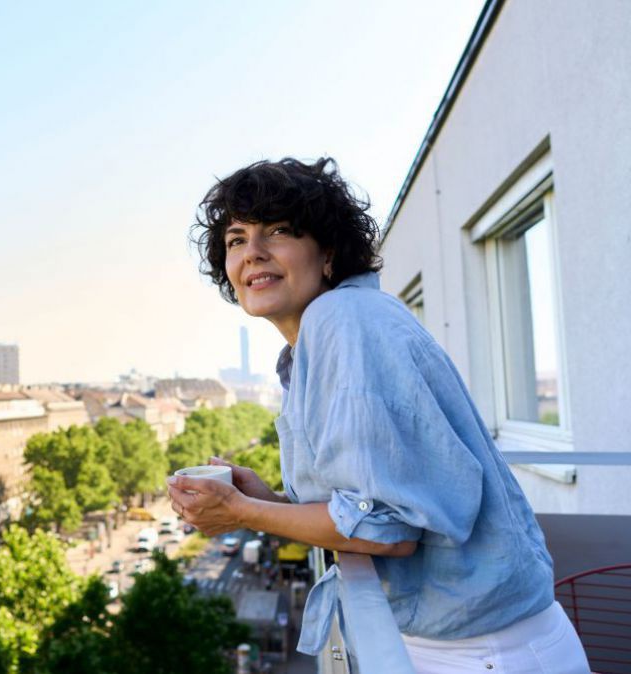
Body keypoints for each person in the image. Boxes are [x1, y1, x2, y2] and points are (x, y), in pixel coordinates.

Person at [167, 158, 590, 673]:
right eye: (236, 239)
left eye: (278, 231)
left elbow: (388, 529)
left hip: (484, 653)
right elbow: (367, 507)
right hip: (461, 644)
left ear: (327, 253)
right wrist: (269, 501)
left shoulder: (343, 320)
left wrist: (242, 513)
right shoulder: (311, 348)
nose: (252, 252)